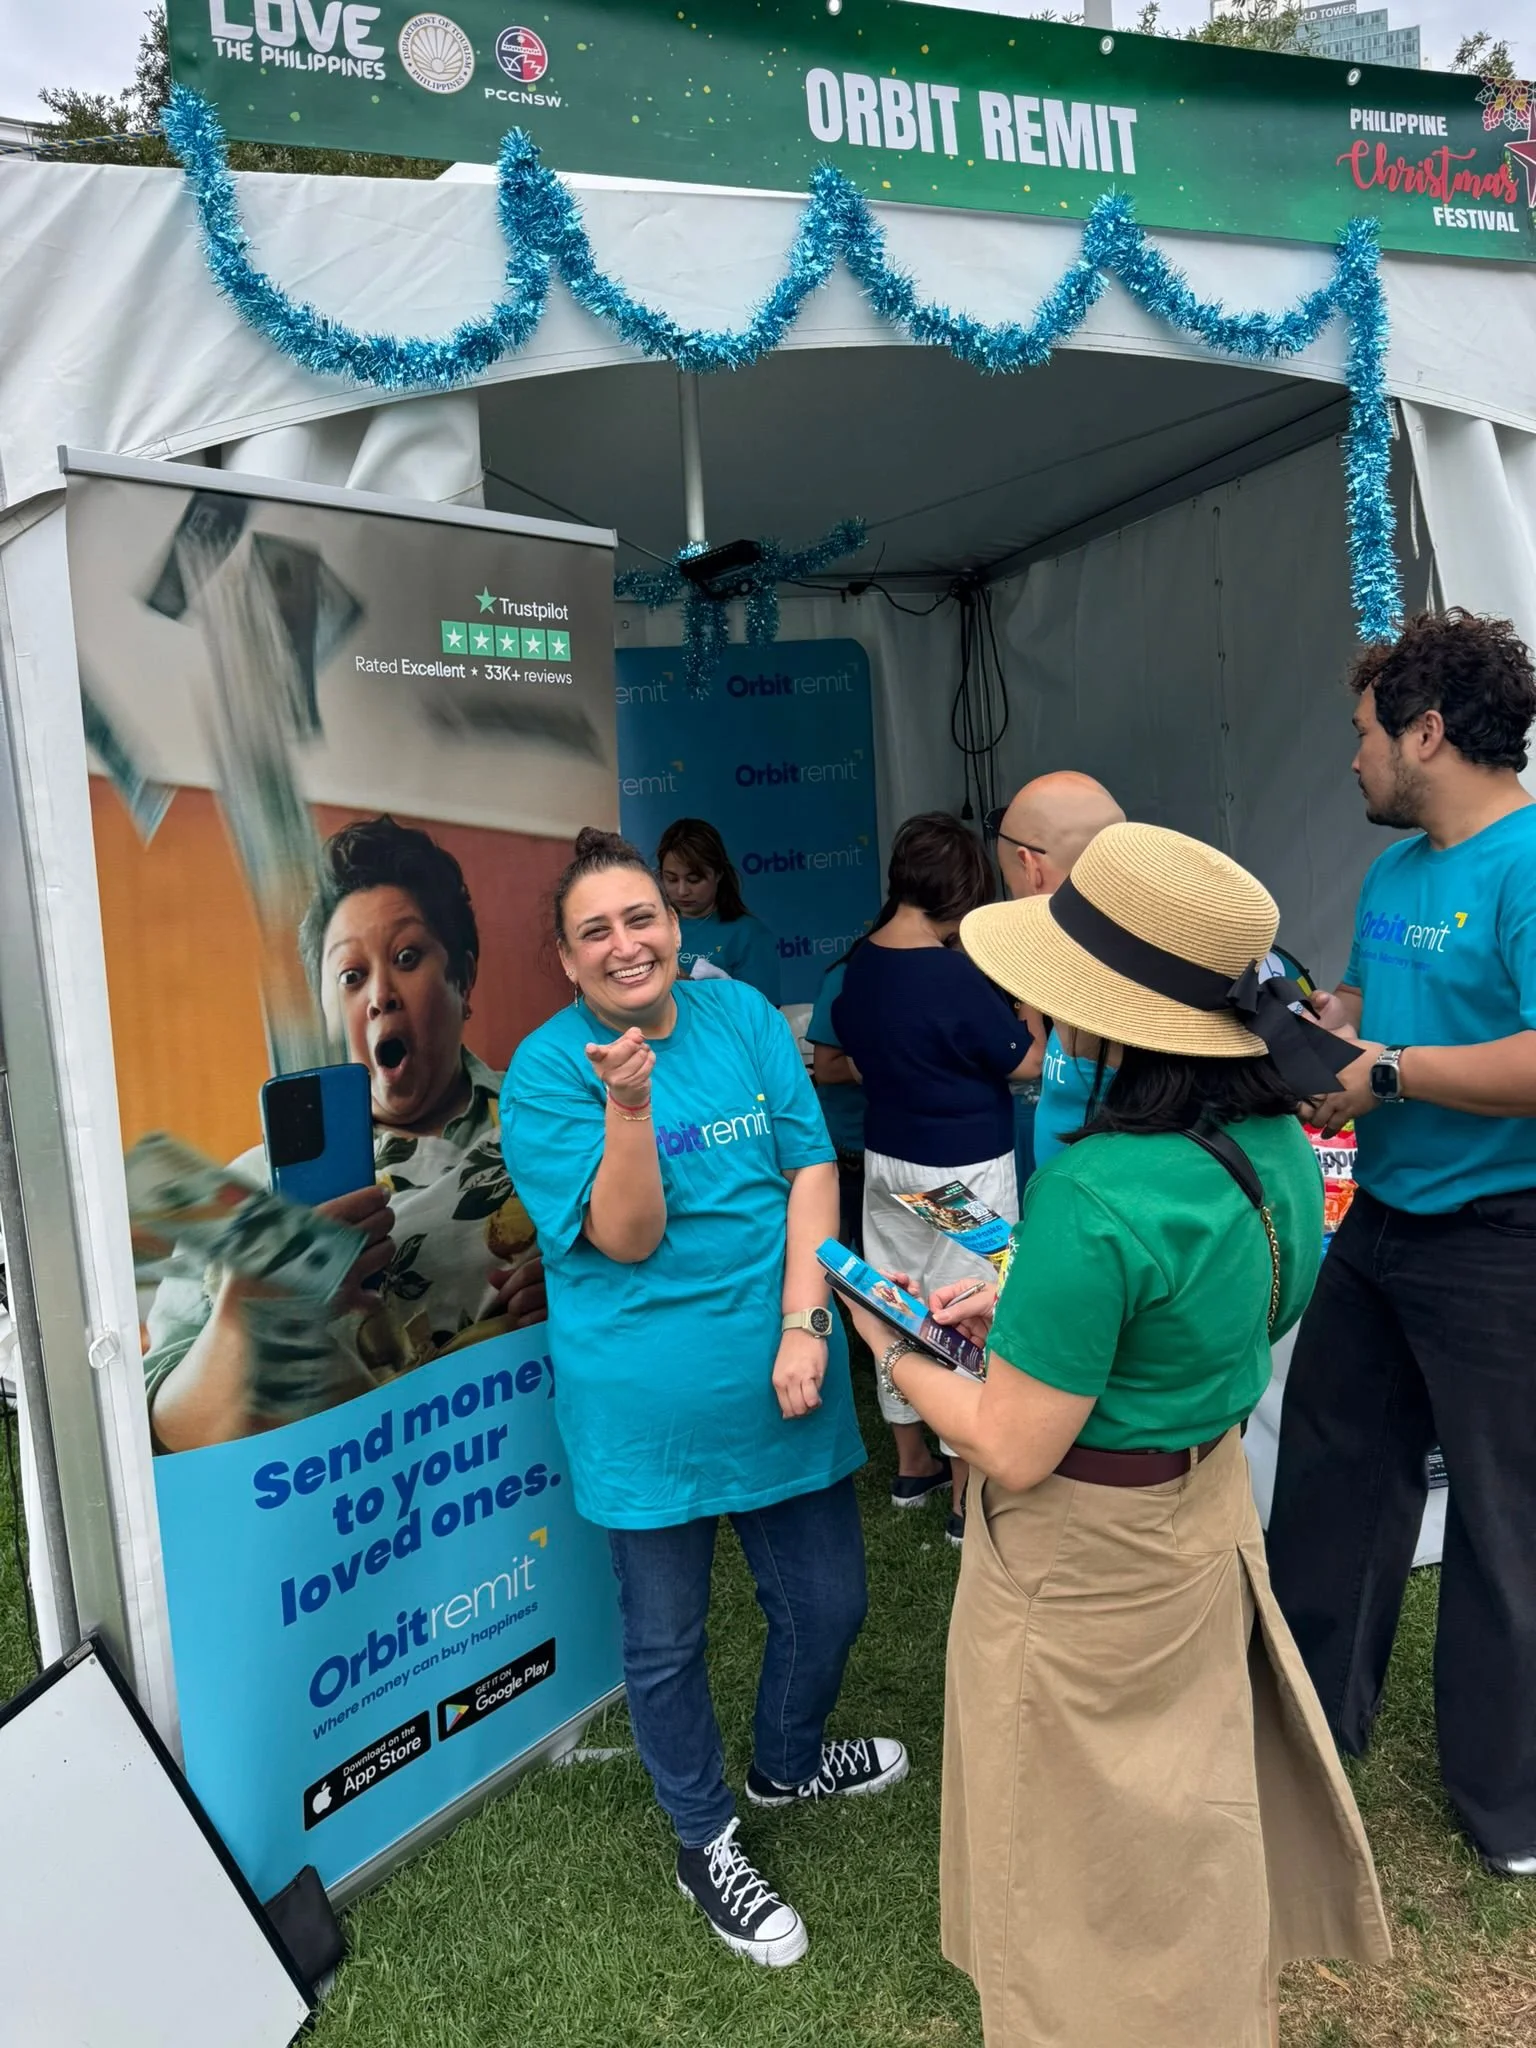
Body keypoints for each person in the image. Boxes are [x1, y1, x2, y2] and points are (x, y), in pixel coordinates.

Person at [840, 821, 1389, 2047]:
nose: (1037, 1015)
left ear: (1116, 1018)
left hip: (1076, 1564)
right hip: (1197, 1526)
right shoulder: (1276, 1145)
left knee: (1067, 1880)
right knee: (1186, 1839)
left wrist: (892, 1344)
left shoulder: (1097, 1190)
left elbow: (1012, 1441)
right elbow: (1233, 1297)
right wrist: (1032, 1294)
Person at [502, 828, 905, 1967]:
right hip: (644, 1403)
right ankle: (703, 1834)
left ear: (678, 926)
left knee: (828, 1602)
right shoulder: (546, 1072)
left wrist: (804, 1322)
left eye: (643, 918)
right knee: (667, 1638)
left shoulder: (737, 1019)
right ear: (566, 958)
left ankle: (786, 1760)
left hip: (786, 1374)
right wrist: (627, 1106)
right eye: (598, 930)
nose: (627, 943)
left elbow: (812, 1165)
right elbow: (626, 1238)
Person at [1267, 609, 1536, 1879]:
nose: (1355, 758)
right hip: (1381, 1226)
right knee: (1330, 1471)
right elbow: (1376, 1008)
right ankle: (1312, 1720)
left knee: (1503, 1520)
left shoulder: (1529, 859)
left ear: (1429, 732)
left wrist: (1391, 1071)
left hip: (1502, 1241)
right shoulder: (1396, 870)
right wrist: (1332, 1026)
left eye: (1367, 736)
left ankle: (1511, 1804)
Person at [143, 817, 547, 1451]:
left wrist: (585, 1302)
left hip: (517, 1498)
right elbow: (163, 1435)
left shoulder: (555, 1123)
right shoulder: (242, 1193)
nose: (381, 994)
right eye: (350, 977)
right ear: (331, 1013)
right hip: (339, 1525)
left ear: (463, 978)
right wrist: (246, 1319)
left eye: (408, 957)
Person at [833, 814, 1030, 1543]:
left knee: (897, 1300)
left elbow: (851, 1047)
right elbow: (1025, 1061)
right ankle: (962, 1492)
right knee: (967, 1311)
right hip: (963, 1167)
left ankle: (910, 1464)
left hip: (887, 1160)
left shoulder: (862, 960)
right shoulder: (951, 972)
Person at [986, 771, 1126, 1168]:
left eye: (1011, 884)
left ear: (1030, 867)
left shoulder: (1124, 976)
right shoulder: (1080, 963)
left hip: (1102, 1221)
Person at [657, 817, 782, 1002]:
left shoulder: (748, 935)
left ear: (718, 874)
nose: (682, 891)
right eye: (672, 879)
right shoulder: (655, 927)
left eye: (694, 880)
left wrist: (691, 990)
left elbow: (763, 1013)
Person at [806, 957, 866, 1252]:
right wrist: (897, 1060)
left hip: (912, 1144)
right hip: (851, 1149)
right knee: (833, 1260)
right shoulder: (849, 974)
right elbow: (826, 1068)